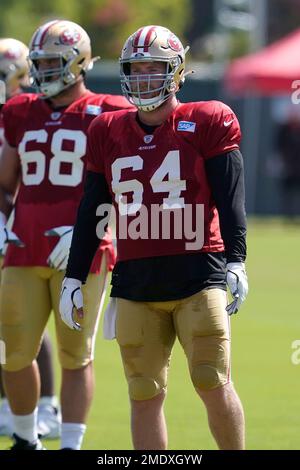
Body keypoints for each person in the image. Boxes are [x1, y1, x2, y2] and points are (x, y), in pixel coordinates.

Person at [60, 25, 249, 450]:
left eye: (154, 69)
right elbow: (93, 208)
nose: (144, 79)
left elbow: (231, 197)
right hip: (135, 282)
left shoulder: (208, 119)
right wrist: (75, 276)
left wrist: (237, 258)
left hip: (199, 272)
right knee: (143, 391)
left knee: (211, 379)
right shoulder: (106, 130)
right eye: (137, 70)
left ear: (177, 72)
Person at [0, 20, 132, 450]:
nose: (42, 71)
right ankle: (25, 437)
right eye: (38, 63)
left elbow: (128, 185)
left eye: (53, 61)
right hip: (24, 246)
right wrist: (4, 225)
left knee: (77, 354)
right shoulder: (19, 111)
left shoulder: (111, 110)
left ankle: (72, 444)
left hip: (83, 251)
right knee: (11, 350)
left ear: (78, 62)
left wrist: (92, 231)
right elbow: (4, 183)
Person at [0, 37, 61, 440]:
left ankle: (45, 407)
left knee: (23, 325)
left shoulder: (29, 114)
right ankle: (15, 406)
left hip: (19, 229)